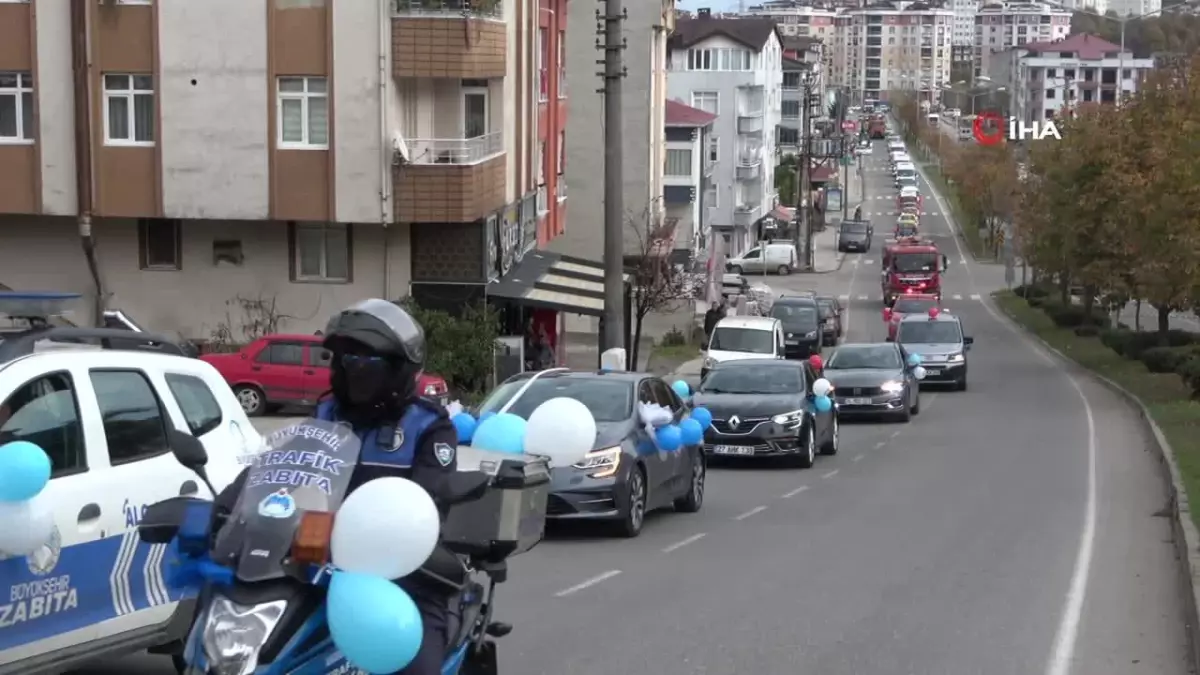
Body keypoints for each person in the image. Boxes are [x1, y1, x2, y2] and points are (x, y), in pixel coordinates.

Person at [215, 299, 458, 675]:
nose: (353, 369)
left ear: (401, 368)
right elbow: (276, 469)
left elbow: (430, 500)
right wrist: (222, 508)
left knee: (417, 665)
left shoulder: (428, 427)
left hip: (398, 578)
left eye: (367, 360)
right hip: (312, 566)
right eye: (345, 359)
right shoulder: (325, 415)